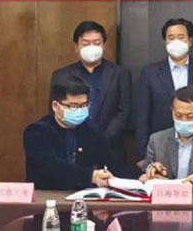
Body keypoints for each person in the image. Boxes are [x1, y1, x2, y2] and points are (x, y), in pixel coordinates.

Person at [135, 18, 193, 168]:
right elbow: (143, 115)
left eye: (181, 37)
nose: (176, 42)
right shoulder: (150, 73)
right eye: (171, 37)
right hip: (162, 148)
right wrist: (142, 155)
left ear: (190, 41)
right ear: (165, 42)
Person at [50, 21, 132, 165]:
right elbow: (56, 113)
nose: (91, 47)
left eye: (96, 43)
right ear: (77, 47)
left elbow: (124, 111)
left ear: (103, 45)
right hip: (73, 147)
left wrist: (101, 139)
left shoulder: (120, 73)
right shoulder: (61, 75)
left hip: (111, 148)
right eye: (86, 43)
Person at [24, 75, 128, 190]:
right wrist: (90, 176)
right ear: (56, 106)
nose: (79, 110)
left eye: (84, 105)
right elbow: (51, 165)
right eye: (73, 106)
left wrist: (139, 177)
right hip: (46, 194)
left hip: (81, 195)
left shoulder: (91, 130)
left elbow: (111, 164)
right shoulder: (37, 131)